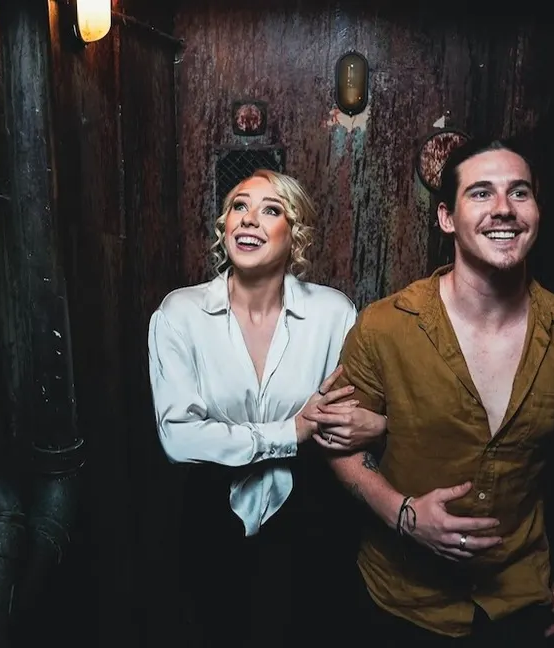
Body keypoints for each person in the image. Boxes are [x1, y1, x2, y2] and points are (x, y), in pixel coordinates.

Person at [310, 138, 554, 646]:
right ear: (446, 218)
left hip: (518, 599)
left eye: (519, 192)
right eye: (481, 193)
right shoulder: (385, 327)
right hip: (400, 600)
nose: (504, 208)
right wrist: (403, 514)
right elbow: (338, 441)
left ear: (537, 212)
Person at [147, 169, 387, 646]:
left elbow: (347, 417)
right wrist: (292, 430)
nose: (249, 219)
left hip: (312, 511)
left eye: (270, 209)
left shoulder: (333, 314)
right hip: (209, 512)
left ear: (295, 234)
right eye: (239, 206)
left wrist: (377, 424)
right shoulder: (180, 314)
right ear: (225, 226)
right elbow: (179, 436)